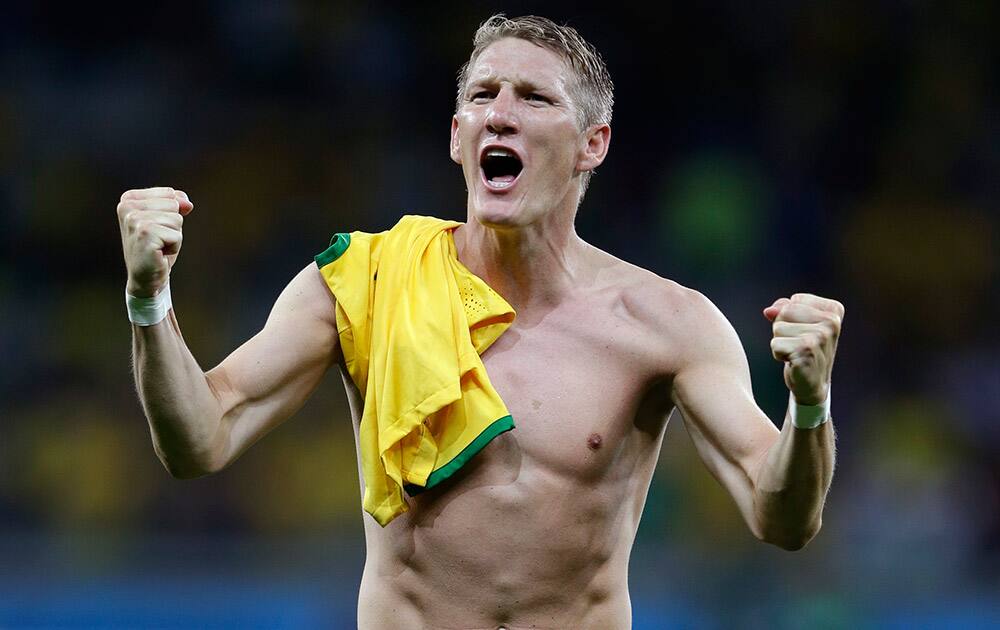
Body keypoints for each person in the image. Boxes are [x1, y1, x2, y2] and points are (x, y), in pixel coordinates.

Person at [116, 14, 841, 630]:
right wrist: (150, 300)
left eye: (533, 98)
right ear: (459, 135)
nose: (501, 113)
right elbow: (200, 439)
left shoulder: (666, 324)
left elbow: (781, 517)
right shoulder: (362, 281)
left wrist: (810, 406)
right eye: (482, 96)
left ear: (593, 144)